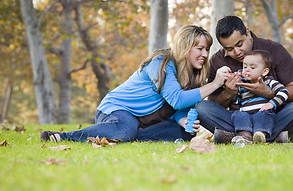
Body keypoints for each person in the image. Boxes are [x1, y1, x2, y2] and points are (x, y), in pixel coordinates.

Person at [40, 25, 229, 143]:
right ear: (185, 47)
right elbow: (177, 99)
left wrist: (182, 120)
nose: (205, 54)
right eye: (200, 49)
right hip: (116, 110)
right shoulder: (160, 62)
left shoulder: (190, 73)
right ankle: (63, 136)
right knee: (125, 128)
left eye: (207, 49)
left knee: (185, 133)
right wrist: (215, 83)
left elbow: (177, 107)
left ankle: (129, 136)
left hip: (143, 121)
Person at [196, 15, 293, 143]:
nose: (237, 52)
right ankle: (271, 138)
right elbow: (214, 103)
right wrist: (228, 93)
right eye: (229, 49)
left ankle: (237, 138)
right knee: (201, 108)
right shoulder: (217, 61)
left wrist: (267, 93)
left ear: (247, 32)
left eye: (239, 44)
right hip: (239, 119)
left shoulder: (274, 50)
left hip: (272, 116)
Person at [229, 49, 289, 144]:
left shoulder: (269, 81)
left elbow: (284, 92)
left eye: (252, 67)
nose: (247, 70)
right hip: (246, 115)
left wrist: (271, 103)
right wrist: (234, 90)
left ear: (264, 72)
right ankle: (245, 136)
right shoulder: (242, 84)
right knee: (238, 114)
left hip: (262, 113)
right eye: (245, 67)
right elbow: (237, 101)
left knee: (264, 115)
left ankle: (260, 134)